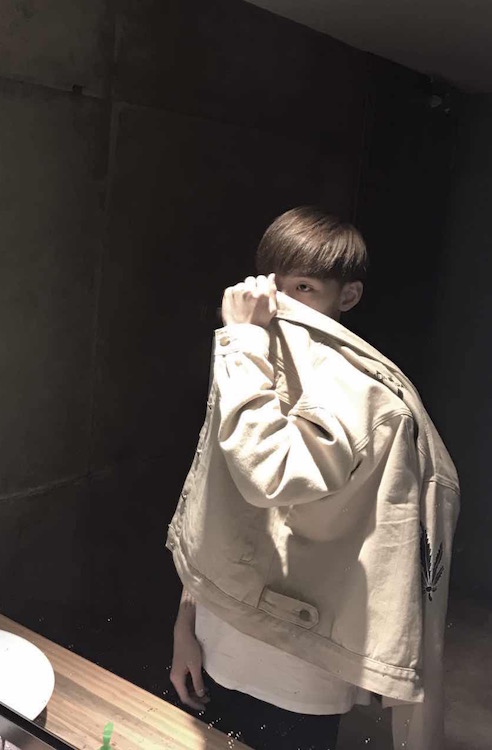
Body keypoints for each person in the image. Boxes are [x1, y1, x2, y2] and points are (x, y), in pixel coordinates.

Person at [167, 207, 459, 750]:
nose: (278, 302)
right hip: (218, 625)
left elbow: (267, 476)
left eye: (303, 288)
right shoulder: (253, 351)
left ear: (347, 297)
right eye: (272, 284)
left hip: (297, 665)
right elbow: (217, 493)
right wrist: (185, 624)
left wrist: (242, 341)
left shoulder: (352, 388)